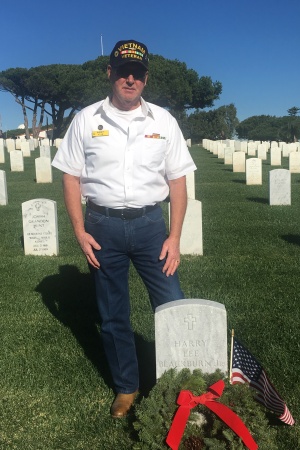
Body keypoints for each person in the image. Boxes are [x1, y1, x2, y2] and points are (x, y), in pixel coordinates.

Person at [52, 39, 196, 418]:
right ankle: (127, 388)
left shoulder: (163, 121)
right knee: (113, 313)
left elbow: (178, 181)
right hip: (103, 226)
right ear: (110, 73)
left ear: (145, 78)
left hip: (151, 226)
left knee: (171, 303)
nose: (129, 79)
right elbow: (70, 177)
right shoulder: (86, 119)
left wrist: (175, 236)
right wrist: (79, 232)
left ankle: (180, 384)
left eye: (137, 73)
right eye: (122, 71)